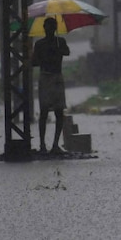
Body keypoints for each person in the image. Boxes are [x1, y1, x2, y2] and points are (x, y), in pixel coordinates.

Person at [30, 16, 70, 154]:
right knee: (44, 112)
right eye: (47, 28)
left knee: (58, 111)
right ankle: (43, 145)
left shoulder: (60, 42)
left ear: (54, 29)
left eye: (51, 28)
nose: (49, 30)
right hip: (46, 77)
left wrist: (58, 50)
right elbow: (34, 62)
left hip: (56, 77)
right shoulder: (40, 45)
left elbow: (67, 52)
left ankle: (54, 144)